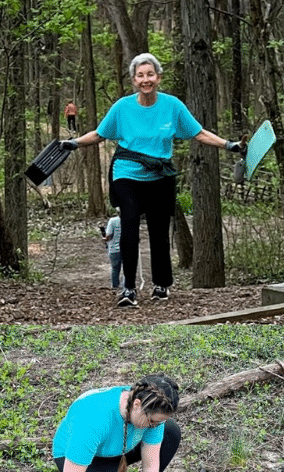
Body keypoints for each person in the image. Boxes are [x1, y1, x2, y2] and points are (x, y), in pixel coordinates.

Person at [60, 53, 245, 307]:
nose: (145, 80)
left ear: (158, 78)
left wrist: (229, 145)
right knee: (130, 222)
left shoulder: (172, 106)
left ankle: (161, 284)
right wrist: (74, 143)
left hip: (159, 176)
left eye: (150, 75)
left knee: (159, 231)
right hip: (127, 174)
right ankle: (128, 289)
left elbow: (199, 133)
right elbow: (100, 134)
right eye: (140, 76)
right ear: (134, 80)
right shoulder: (122, 108)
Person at [53, 374, 181, 472]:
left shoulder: (150, 409)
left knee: (171, 432)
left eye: (158, 423)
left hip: (116, 448)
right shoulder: (94, 419)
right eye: (151, 422)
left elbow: (151, 464)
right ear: (136, 404)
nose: (154, 427)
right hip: (75, 457)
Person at [103, 210, 122, 289]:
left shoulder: (113, 221)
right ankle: (126, 287)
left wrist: (104, 239)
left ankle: (115, 287)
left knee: (115, 269)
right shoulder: (130, 220)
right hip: (127, 249)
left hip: (114, 249)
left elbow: (108, 236)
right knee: (127, 270)